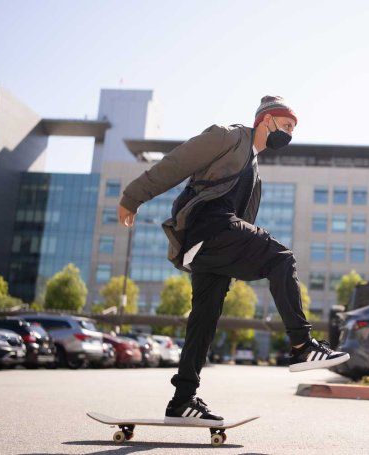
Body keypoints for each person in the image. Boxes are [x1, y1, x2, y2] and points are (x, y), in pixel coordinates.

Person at [117, 96, 350, 426]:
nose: (289, 134)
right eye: (286, 126)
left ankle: (183, 399)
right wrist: (133, 196)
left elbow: (245, 227)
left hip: (214, 246)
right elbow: (177, 162)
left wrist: (238, 261)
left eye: (293, 130)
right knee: (281, 258)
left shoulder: (255, 175)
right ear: (265, 120)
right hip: (206, 227)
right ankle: (302, 345)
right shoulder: (227, 137)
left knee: (205, 319)